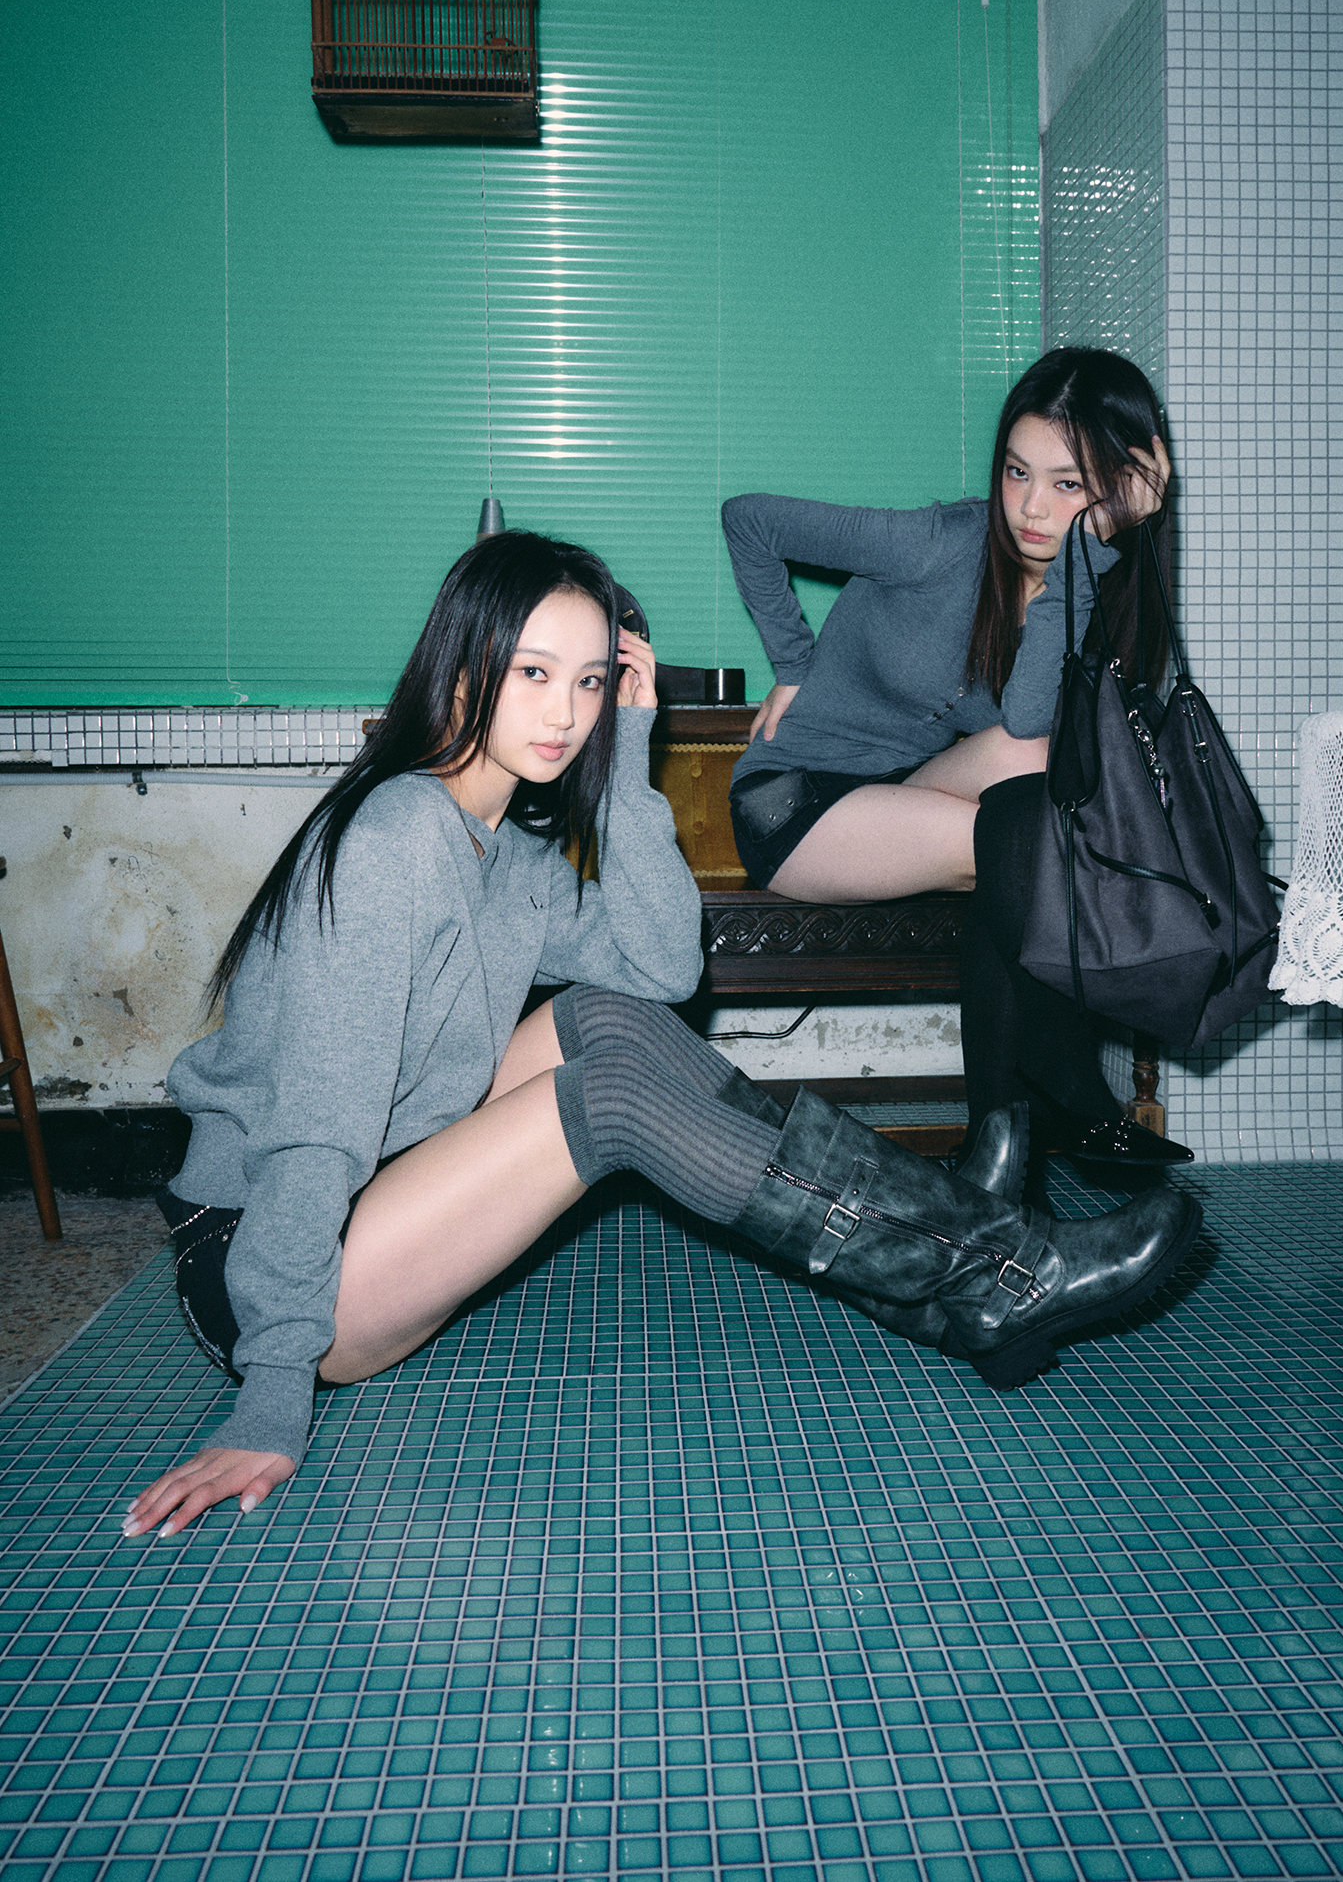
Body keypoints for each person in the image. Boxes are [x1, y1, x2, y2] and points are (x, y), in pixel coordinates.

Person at [124, 528, 1201, 1541]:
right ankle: (999, 1266)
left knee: (609, 1022)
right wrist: (271, 1398)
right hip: (265, 1264)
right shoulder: (398, 838)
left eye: (592, 682)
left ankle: (949, 1287)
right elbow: (314, 1127)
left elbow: (659, 970)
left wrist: (630, 758)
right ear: (460, 671)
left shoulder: (505, 851)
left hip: (378, 1193)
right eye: (534, 672)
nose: (566, 712)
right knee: (605, 1099)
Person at [722, 347, 1192, 1170]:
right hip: (794, 800)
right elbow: (749, 519)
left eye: (1068, 485)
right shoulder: (940, 543)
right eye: (1017, 472)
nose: (1032, 508)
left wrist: (1084, 562)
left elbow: (1027, 719)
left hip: (902, 790)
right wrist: (792, 663)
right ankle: (1050, 1093)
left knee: (1032, 774)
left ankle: (999, 1138)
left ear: (1118, 492)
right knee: (1023, 845)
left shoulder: (1085, 577)